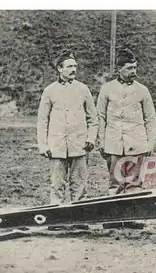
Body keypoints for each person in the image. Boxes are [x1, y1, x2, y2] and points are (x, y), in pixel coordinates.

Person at [37, 49, 99, 204]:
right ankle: (55, 219)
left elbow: (93, 118)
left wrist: (91, 138)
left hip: (79, 145)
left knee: (79, 185)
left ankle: (80, 218)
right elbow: (42, 120)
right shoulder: (49, 91)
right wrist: (43, 145)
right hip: (56, 146)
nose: (73, 70)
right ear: (59, 68)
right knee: (57, 184)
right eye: (69, 66)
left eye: (75, 66)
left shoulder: (83, 89)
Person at [96, 48, 156, 195]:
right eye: (129, 68)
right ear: (119, 69)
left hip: (136, 144)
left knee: (134, 185)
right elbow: (101, 117)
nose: (133, 71)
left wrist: (150, 143)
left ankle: (132, 215)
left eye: (135, 67)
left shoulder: (143, 90)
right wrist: (102, 141)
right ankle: (115, 216)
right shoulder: (107, 89)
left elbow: (150, 118)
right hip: (113, 144)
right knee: (115, 185)